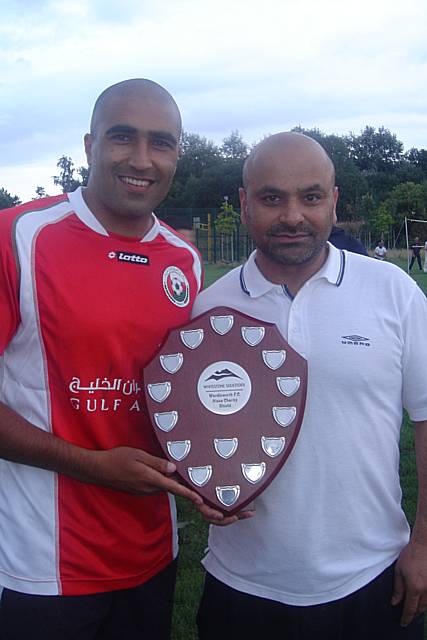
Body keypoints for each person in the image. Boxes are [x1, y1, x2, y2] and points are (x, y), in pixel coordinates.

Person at [193, 132, 427, 640]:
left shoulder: (393, 292)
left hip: (372, 577)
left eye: (311, 197)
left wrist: (425, 545)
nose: (292, 215)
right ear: (244, 202)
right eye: (272, 198)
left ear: (335, 200)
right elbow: (191, 430)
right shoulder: (207, 309)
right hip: (242, 584)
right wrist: (197, 486)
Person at [0, 78, 211, 640]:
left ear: (177, 154)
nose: (142, 159)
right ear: (89, 144)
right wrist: (92, 466)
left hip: (153, 551)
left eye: (161, 143)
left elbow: (187, 400)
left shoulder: (184, 260)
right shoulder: (18, 237)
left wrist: (222, 479)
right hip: (43, 566)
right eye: (123, 138)